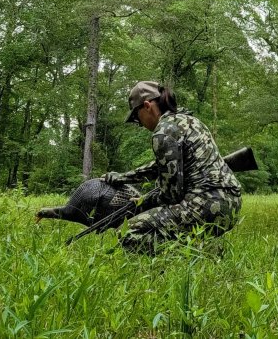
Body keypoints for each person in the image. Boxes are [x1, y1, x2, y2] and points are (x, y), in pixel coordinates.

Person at [103, 81, 242, 252]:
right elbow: (161, 166)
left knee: (126, 232)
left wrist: (143, 202)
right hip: (232, 205)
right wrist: (124, 177)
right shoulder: (190, 121)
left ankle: (205, 251)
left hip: (206, 206)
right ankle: (203, 245)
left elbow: (171, 196)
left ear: (147, 106)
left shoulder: (163, 132)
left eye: (136, 118)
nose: (139, 124)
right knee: (163, 223)